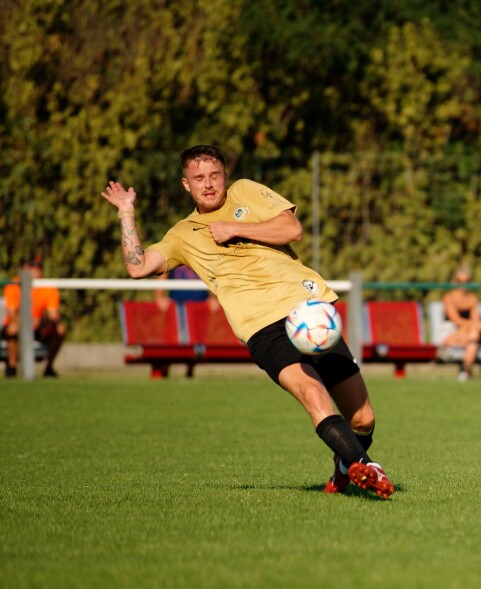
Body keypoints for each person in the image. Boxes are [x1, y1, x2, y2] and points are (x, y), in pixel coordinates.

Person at [100, 145, 394, 499]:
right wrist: (126, 214)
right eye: (198, 179)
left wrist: (234, 228)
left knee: (363, 419)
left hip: (309, 312)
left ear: (224, 176)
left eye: (214, 176)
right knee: (312, 394)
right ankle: (369, 468)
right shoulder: (183, 234)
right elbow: (137, 267)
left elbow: (292, 229)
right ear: (185, 184)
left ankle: (347, 463)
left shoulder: (245, 192)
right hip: (262, 328)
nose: (208, 185)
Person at [3, 257, 67, 378]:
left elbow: (53, 314)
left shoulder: (47, 287)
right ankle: (11, 367)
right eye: (32, 265)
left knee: (60, 329)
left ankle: (48, 368)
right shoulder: (14, 285)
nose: (36, 268)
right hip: (19, 324)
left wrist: (43, 321)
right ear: (25, 267)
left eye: (39, 265)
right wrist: (27, 323)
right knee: (13, 328)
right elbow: (12, 314)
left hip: (39, 327)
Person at [441, 264, 481, 382]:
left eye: (466, 281)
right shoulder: (448, 298)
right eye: (459, 281)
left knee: (473, 333)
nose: (462, 285)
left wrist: (475, 326)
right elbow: (456, 320)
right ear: (454, 281)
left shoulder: (472, 298)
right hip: (451, 336)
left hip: (467, 335)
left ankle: (465, 368)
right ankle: (467, 370)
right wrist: (479, 326)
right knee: (474, 332)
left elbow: (475, 319)